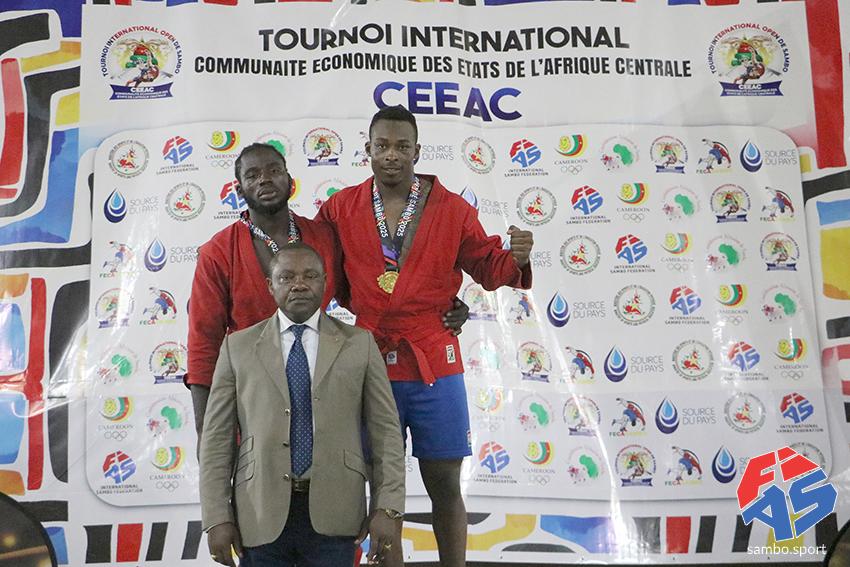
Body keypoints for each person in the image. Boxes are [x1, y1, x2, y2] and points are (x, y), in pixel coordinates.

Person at [317, 105, 534, 567]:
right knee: (382, 486)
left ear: (417, 151)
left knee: (445, 482)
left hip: (434, 356)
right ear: (367, 149)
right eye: (382, 146)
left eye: (402, 146)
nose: (391, 155)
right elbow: (322, 274)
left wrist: (514, 258)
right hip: (372, 358)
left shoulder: (452, 209)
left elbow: (487, 266)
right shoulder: (340, 208)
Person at [187, 143, 468, 441]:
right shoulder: (218, 253)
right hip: (253, 397)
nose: (265, 179)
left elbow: (364, 291)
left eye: (274, 171)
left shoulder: (322, 236)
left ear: (290, 181)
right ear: (239, 190)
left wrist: (438, 304)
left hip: (322, 391)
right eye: (253, 175)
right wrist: (207, 431)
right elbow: (204, 345)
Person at [200, 243, 405, 567]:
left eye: (310, 276)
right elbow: (216, 440)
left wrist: (387, 507)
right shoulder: (237, 347)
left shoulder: (359, 345)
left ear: (325, 282)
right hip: (259, 512)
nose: (298, 284)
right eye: (286, 277)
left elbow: (387, 433)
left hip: (337, 511)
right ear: (270, 285)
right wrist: (216, 516)